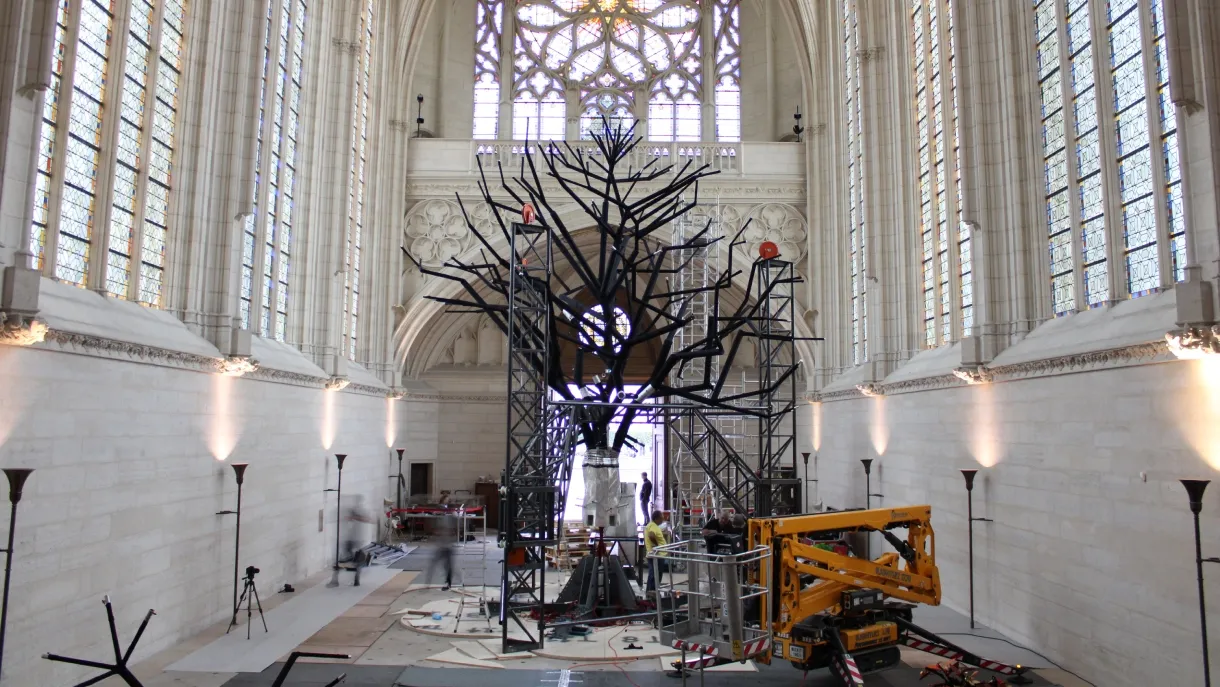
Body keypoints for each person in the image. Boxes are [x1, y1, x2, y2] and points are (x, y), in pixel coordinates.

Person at [426, 509, 458, 590]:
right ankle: (427, 583)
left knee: (448, 566)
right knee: (433, 563)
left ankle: (449, 583)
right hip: (441, 547)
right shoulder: (440, 520)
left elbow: (452, 535)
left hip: (448, 548)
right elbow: (436, 532)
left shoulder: (450, 521)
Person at [644, 509, 669, 592]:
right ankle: (653, 592)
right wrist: (657, 546)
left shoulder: (651, 525)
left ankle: (650, 591)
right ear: (656, 519)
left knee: (653, 573)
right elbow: (651, 535)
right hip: (657, 554)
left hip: (654, 554)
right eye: (661, 518)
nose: (662, 520)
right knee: (656, 574)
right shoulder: (653, 526)